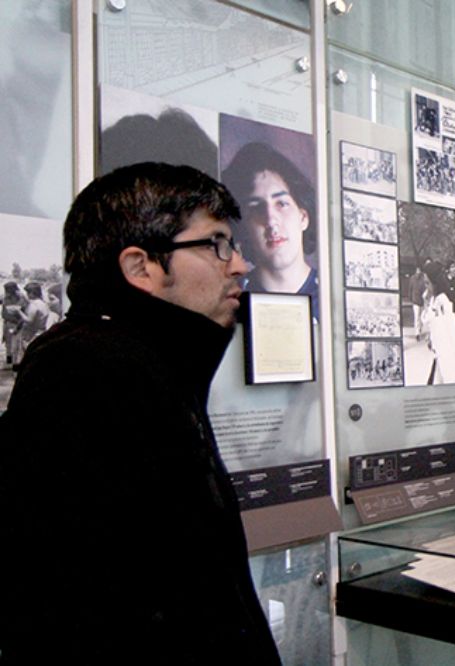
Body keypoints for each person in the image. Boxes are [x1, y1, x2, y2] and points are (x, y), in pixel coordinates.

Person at [0, 163, 282, 664]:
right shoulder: (88, 371)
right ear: (141, 268)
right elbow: (95, 606)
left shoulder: (145, 361)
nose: (239, 264)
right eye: (216, 244)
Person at [221, 141, 318, 314]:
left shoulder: (331, 294)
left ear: (303, 218)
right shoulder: (231, 302)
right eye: (256, 207)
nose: (271, 221)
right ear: (244, 227)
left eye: (281, 204)